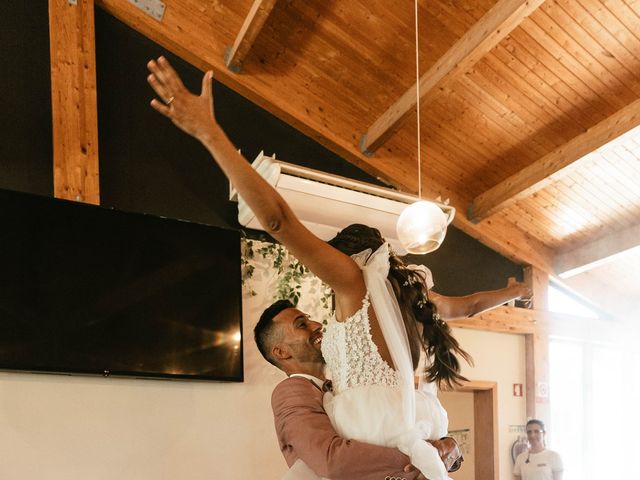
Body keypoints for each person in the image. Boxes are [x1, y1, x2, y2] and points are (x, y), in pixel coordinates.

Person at [146, 56, 532, 479]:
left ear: (347, 258)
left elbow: (279, 220)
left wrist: (210, 133)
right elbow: (473, 304)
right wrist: (515, 290)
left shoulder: (353, 284)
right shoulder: (413, 303)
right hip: (414, 449)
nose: (317, 316)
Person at [255, 299, 456, 480]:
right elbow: (331, 459)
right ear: (280, 352)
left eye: (310, 319)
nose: (316, 325)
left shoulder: (345, 388)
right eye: (302, 325)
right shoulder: (291, 391)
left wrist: (447, 447)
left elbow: (393, 428)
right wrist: (421, 457)